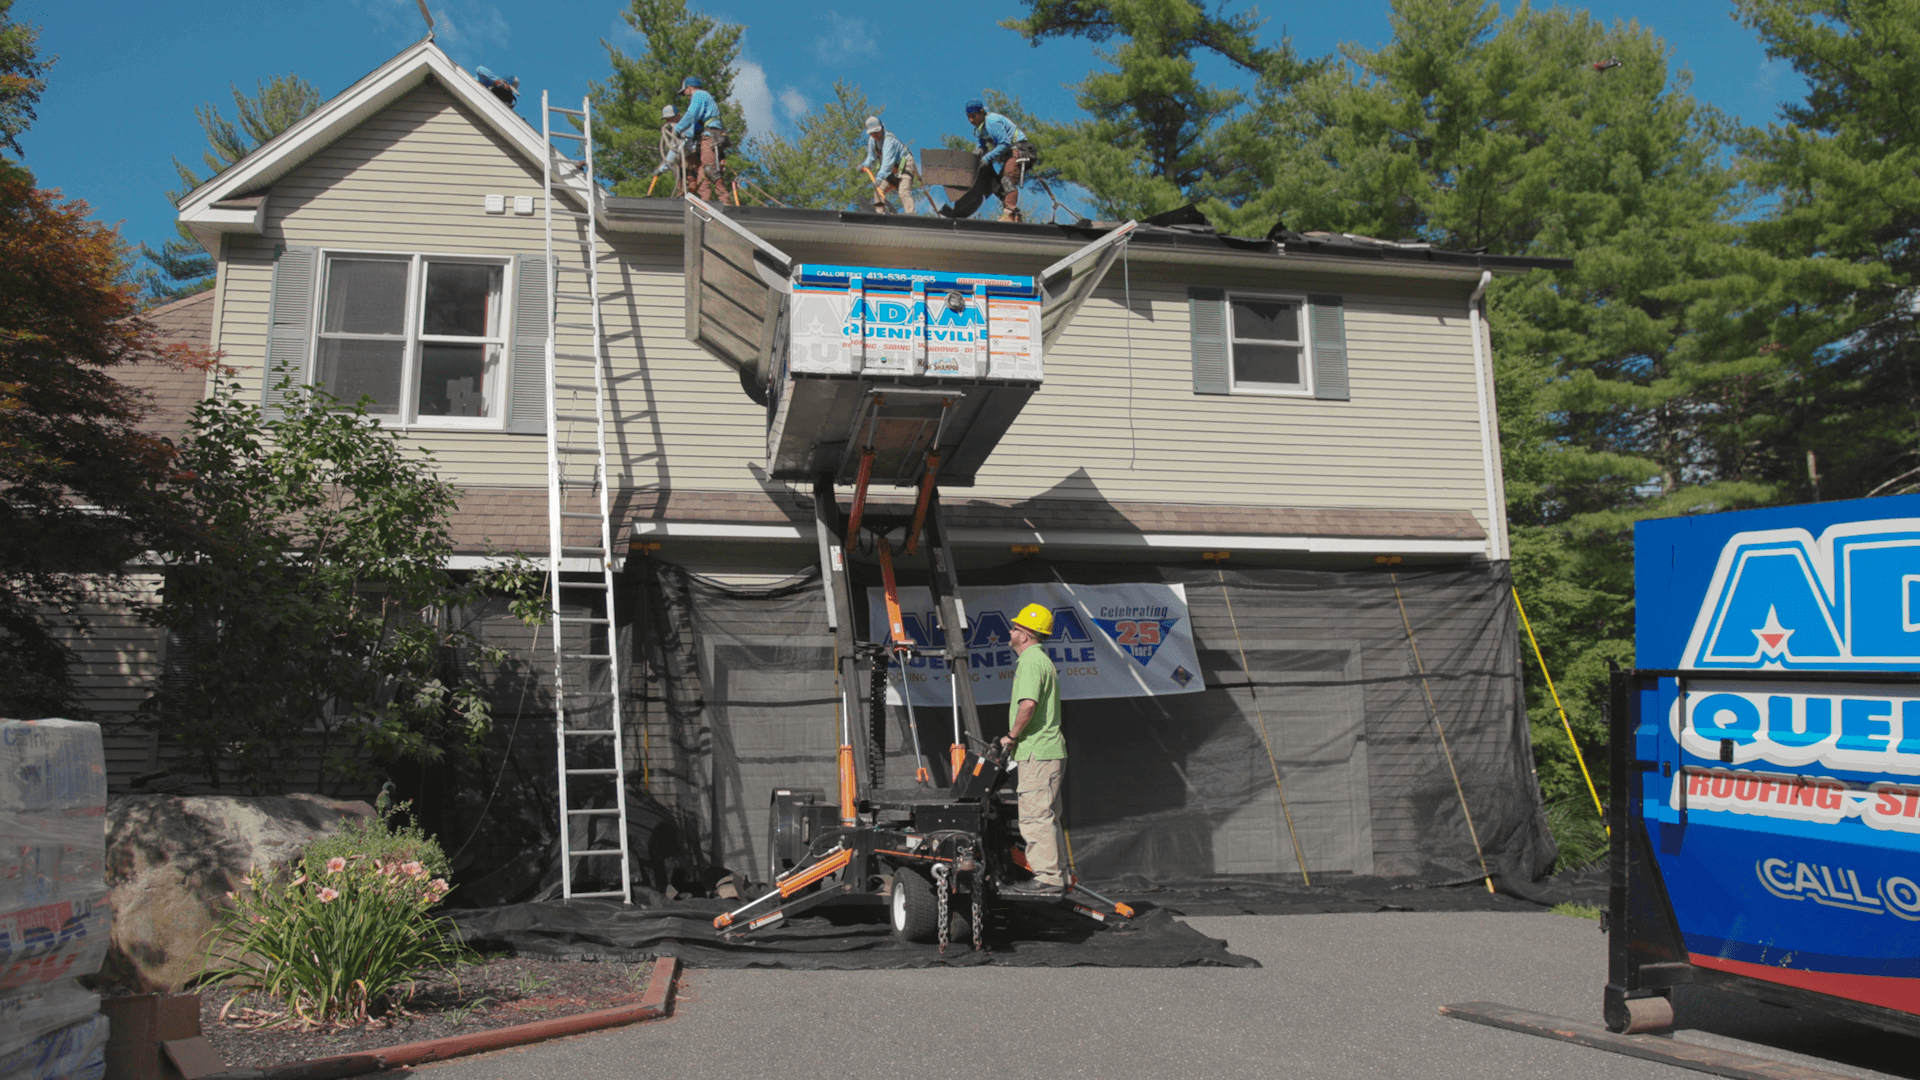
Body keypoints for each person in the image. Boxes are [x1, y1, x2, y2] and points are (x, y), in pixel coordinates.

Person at [999, 603, 1068, 895]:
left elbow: (1027, 705)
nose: (1010, 632)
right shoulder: (1042, 661)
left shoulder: (1030, 662)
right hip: (1048, 751)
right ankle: (1059, 875)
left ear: (1025, 635)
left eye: (1015, 628)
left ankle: (1048, 878)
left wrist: (1011, 736)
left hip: (1036, 752)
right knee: (1048, 815)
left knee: (1035, 817)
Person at [942, 99, 1035, 222]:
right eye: (968, 117)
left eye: (973, 116)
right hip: (1010, 152)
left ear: (981, 112)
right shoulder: (980, 129)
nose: (971, 120)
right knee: (997, 186)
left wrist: (986, 158)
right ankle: (1016, 217)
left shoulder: (992, 122)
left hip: (1020, 150)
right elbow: (981, 147)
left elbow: (1004, 143)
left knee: (1007, 180)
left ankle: (1010, 213)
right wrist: (973, 160)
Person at [673, 76, 730, 205]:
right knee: (691, 167)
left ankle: (721, 203)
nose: (686, 96)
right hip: (708, 136)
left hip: (710, 137)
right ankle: (695, 199)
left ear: (689, 88)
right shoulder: (705, 99)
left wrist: (677, 129)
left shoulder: (699, 95)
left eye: (685, 92)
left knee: (707, 170)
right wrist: (683, 134)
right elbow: (695, 126)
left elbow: (691, 115)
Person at [859, 117, 919, 215]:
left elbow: (887, 163)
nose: (875, 136)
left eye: (877, 133)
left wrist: (879, 178)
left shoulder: (889, 141)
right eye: (873, 134)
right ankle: (880, 214)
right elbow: (871, 156)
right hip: (892, 168)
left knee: (903, 191)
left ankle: (910, 215)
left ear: (882, 128)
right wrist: (865, 165)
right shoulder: (872, 140)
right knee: (879, 190)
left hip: (905, 165)